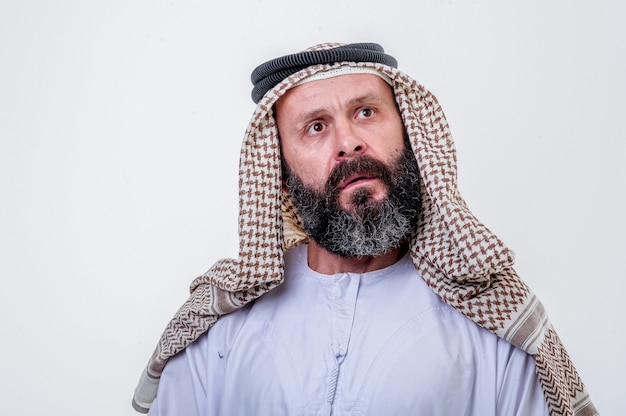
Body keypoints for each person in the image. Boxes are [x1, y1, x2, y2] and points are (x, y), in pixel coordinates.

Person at [132, 43, 597, 416]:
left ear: (410, 135)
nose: (348, 142)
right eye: (315, 127)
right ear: (278, 169)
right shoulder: (219, 331)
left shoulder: (492, 322)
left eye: (366, 113)